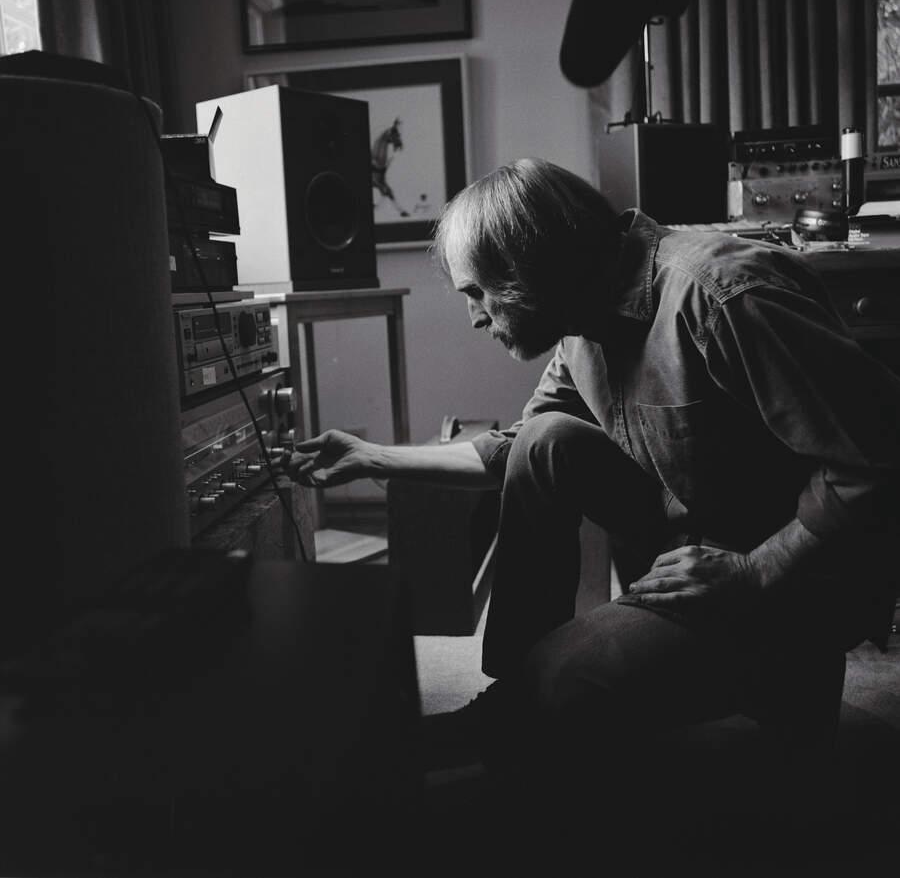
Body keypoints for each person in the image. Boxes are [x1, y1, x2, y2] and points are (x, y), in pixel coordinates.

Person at [283, 157, 899, 784]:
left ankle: (785, 672)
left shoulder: (721, 294)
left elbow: (880, 458)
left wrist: (755, 571)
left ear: (529, 267)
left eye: (478, 293)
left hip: (792, 575)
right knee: (545, 440)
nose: (475, 317)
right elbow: (515, 448)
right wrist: (372, 457)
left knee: (562, 682)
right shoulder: (582, 321)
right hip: (697, 544)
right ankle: (514, 701)